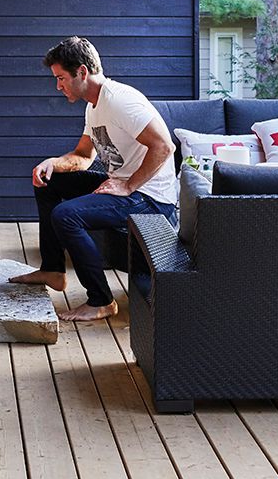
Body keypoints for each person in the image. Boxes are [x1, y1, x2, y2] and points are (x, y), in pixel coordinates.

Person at [9, 35, 177, 322]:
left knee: (66, 216)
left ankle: (101, 300)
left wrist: (128, 185)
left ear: (82, 72)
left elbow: (164, 146)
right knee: (48, 182)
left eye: (61, 78)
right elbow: (83, 156)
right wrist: (54, 163)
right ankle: (53, 270)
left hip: (150, 199)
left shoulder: (120, 101)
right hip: (120, 184)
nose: (58, 86)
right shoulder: (93, 105)